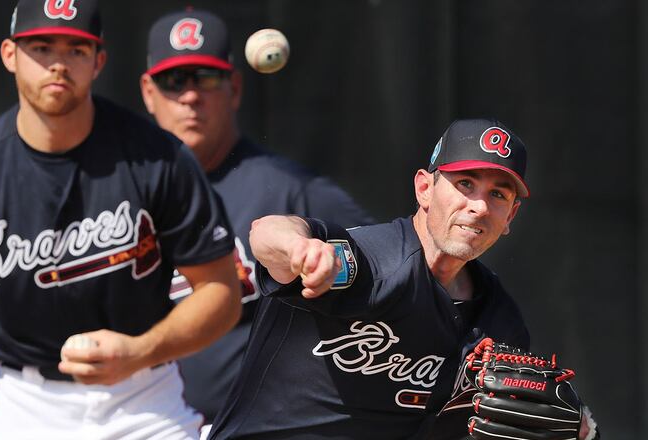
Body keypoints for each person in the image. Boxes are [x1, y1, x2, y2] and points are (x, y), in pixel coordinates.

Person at [0, 1, 242, 439]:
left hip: (143, 401)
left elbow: (221, 292)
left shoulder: (158, 158)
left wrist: (140, 352)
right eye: (42, 47)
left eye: (77, 50)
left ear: (99, 61)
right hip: (26, 404)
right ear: (10, 55)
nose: (59, 65)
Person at [208, 119, 599, 439]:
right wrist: (298, 249)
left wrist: (583, 433)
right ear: (425, 189)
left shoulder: (499, 324)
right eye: (465, 184)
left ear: (510, 217)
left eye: (498, 195)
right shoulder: (368, 263)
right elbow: (267, 232)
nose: (479, 206)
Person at [138, 8, 375, 428]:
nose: (191, 96)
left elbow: (386, 259)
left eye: (206, 78)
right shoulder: (124, 190)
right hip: (136, 421)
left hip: (249, 427)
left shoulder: (287, 188)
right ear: (148, 92)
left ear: (234, 88)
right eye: (174, 81)